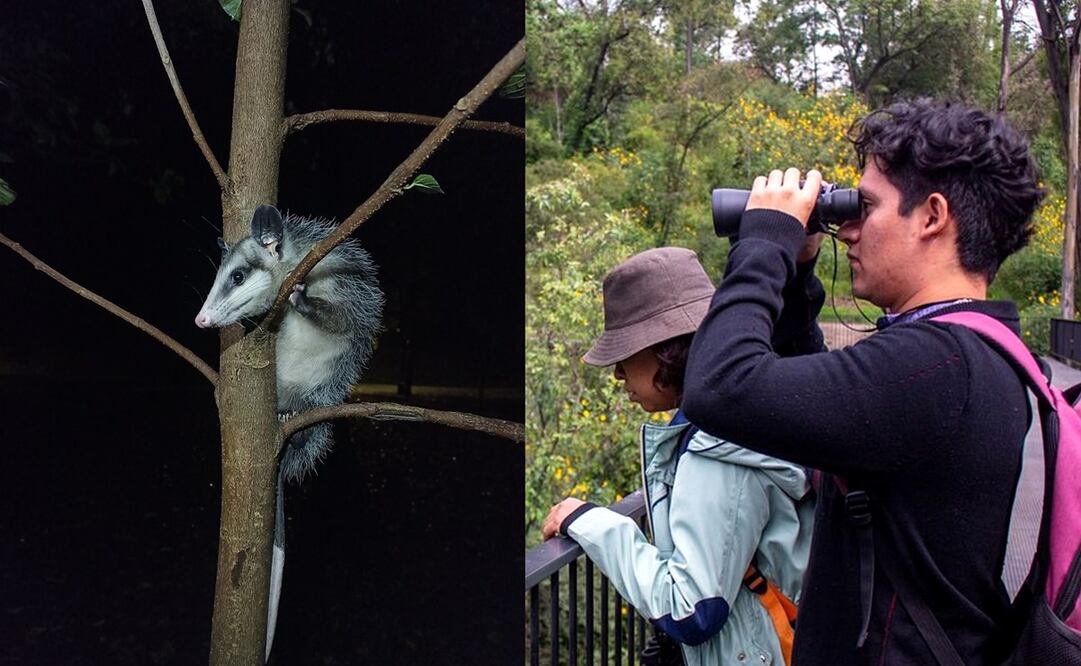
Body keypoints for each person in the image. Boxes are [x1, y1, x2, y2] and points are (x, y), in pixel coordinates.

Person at [681, 99, 1046, 664]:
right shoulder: (983, 354)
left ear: (932, 216)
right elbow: (809, 406)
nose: (846, 229)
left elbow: (718, 385)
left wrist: (763, 242)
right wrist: (797, 274)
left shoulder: (936, 365)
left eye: (865, 206)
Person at [542, 247, 815, 666]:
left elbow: (690, 608)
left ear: (666, 351)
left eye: (624, 356)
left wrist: (590, 521)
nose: (618, 375)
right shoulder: (736, 414)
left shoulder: (716, 448)